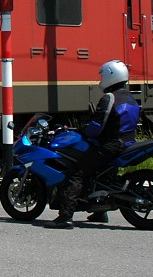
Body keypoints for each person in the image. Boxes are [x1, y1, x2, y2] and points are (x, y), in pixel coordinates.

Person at [45, 59, 141, 229]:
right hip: (127, 143)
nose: (101, 78)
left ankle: (65, 217)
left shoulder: (109, 98)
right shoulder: (130, 97)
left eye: (103, 75)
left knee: (77, 173)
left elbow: (97, 126)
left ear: (110, 76)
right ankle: (99, 211)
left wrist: (81, 131)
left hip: (110, 145)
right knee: (100, 175)